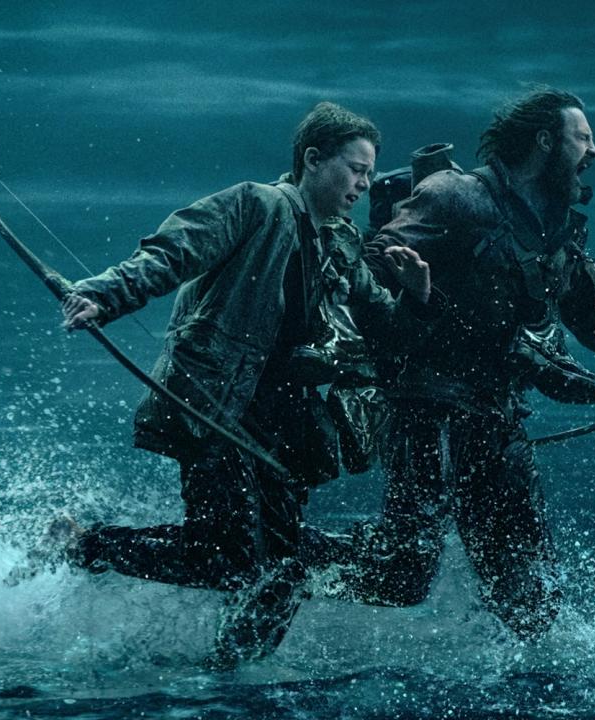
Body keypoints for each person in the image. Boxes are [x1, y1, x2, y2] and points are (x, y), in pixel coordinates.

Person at [55, 102, 437, 667]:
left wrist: (418, 296)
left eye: (368, 174)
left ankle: (233, 670)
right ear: (313, 158)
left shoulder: (340, 241)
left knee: (277, 568)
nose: (364, 184)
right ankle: (84, 546)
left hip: (287, 428)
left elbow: (384, 324)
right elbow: (174, 249)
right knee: (232, 558)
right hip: (221, 405)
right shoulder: (256, 204)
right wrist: (105, 295)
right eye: (356, 169)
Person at [312, 87, 595, 639]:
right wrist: (409, 302)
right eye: (583, 138)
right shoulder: (453, 197)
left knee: (529, 598)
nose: (593, 151)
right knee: (401, 576)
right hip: (426, 417)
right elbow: (368, 269)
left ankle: (520, 680)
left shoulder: (552, 228)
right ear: (544, 142)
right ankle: (286, 559)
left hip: (497, 423)